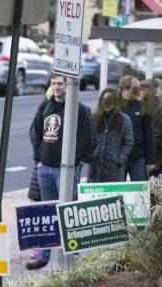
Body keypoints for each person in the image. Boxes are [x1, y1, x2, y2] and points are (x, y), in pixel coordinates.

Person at [26, 73, 94, 270]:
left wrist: (75, 161)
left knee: (68, 213)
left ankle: (72, 254)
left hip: (66, 171)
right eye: (54, 83)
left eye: (60, 84)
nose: (56, 87)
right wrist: (38, 159)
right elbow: (35, 132)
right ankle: (44, 255)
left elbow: (87, 139)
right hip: (45, 168)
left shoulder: (79, 110)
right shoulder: (45, 106)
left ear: (69, 86)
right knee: (47, 213)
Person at [88, 88, 133, 183]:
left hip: (114, 168)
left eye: (109, 101)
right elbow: (90, 139)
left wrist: (120, 159)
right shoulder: (95, 118)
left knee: (114, 195)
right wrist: (92, 155)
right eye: (104, 101)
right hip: (95, 166)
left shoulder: (124, 120)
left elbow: (128, 142)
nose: (106, 104)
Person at [118, 75, 155, 180]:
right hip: (119, 157)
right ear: (125, 88)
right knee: (117, 191)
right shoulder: (115, 106)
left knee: (140, 192)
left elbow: (148, 134)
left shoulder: (142, 106)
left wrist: (150, 160)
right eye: (136, 89)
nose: (138, 92)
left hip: (138, 158)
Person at [140, 79, 162, 176]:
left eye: (144, 89)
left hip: (155, 157)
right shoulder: (141, 105)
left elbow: (156, 134)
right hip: (145, 156)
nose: (140, 91)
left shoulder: (158, 107)